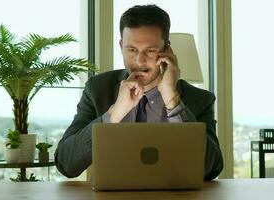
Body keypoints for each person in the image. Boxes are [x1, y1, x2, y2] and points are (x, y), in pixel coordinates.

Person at [55, 4, 223, 180]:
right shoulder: (97, 89)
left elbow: (211, 170)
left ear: (167, 50)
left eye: (150, 50)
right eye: (131, 49)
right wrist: (114, 114)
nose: (139, 61)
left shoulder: (200, 99)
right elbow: (66, 165)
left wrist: (171, 99)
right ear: (121, 46)